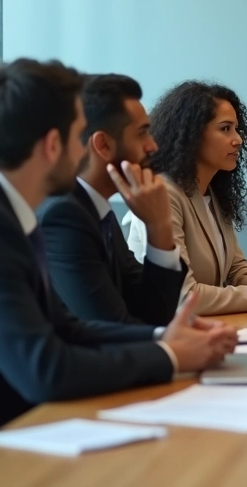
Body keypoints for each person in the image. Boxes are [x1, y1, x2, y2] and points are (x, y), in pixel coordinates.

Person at [0, 59, 236, 447]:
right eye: (79, 135)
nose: (85, 150)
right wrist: (171, 355)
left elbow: (66, 328)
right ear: (52, 145)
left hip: (0, 432)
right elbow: (45, 370)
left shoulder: (2, 210)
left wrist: (164, 336)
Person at [126, 81, 247, 314]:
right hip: (164, 328)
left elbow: (233, 268)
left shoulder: (213, 192)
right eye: (225, 129)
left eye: (236, 129)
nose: (238, 139)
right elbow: (183, 296)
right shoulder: (163, 194)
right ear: (192, 134)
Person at [38, 74, 185, 325]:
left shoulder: (98, 210)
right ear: (103, 145)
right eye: (142, 133)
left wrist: (159, 228)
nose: (153, 146)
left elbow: (151, 313)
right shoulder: (63, 216)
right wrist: (159, 224)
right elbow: (112, 328)